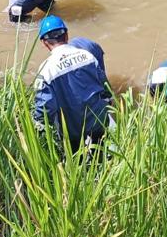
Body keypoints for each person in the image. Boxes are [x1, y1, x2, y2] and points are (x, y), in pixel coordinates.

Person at [33, 15, 112, 155]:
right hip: (99, 121)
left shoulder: (46, 70)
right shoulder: (87, 56)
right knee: (102, 155)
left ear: (44, 43)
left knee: (79, 163)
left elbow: (44, 111)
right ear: (67, 35)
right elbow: (105, 89)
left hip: (73, 130)